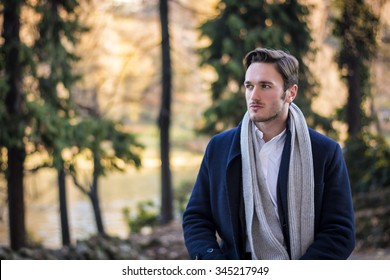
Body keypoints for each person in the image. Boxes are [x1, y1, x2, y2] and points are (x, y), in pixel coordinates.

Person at [182, 48, 355, 260]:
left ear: (291, 93)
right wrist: (215, 265)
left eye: (265, 86)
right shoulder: (220, 148)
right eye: (249, 86)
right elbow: (196, 218)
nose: (254, 96)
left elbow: (340, 231)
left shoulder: (324, 152)